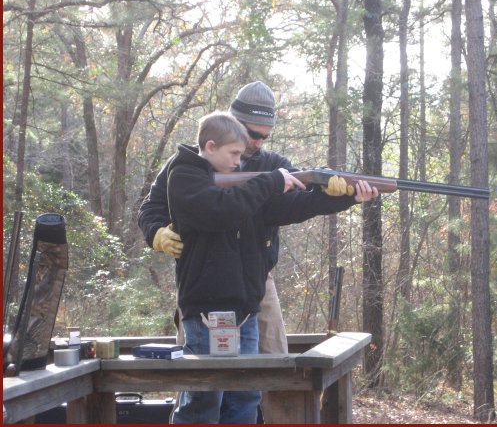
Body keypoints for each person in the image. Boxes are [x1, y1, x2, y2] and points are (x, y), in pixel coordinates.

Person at [137, 81, 350, 422]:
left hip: (256, 281)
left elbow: (295, 205)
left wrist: (339, 197)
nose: (258, 143)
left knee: (273, 369)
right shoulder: (188, 167)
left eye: (265, 136)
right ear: (232, 123)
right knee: (202, 386)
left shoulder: (273, 164)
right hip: (205, 286)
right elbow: (152, 207)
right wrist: (156, 233)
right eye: (252, 134)